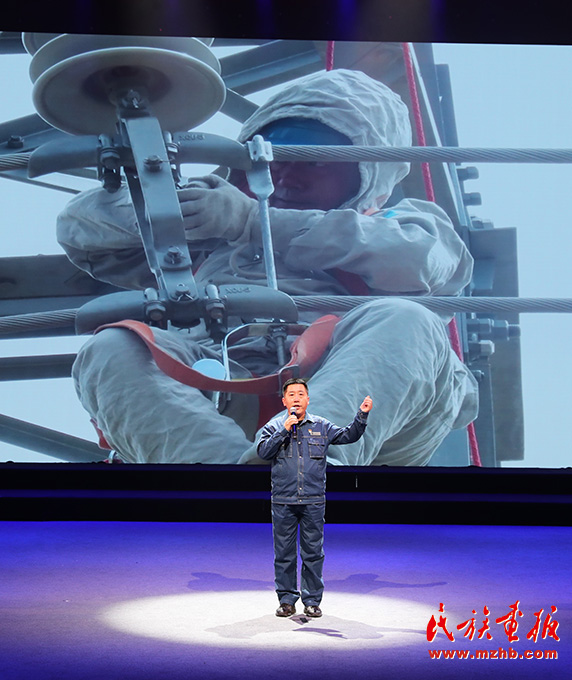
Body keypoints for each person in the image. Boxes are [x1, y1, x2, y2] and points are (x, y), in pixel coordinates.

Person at [56, 67, 478, 465]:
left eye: (314, 162)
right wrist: (168, 210)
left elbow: (418, 262)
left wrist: (255, 222)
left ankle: (307, 457)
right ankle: (227, 485)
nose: (287, 178)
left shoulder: (404, 224)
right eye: (273, 161)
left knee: (405, 320)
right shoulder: (214, 232)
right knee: (112, 348)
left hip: (359, 396)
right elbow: (82, 233)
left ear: (365, 177)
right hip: (220, 385)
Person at [257, 378, 372, 617]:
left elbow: (347, 436)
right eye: (292, 394)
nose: (296, 398)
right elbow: (264, 451)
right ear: (284, 400)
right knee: (284, 554)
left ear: (308, 399)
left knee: (313, 553)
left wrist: (361, 416)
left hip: (313, 500)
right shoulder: (274, 426)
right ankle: (287, 600)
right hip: (283, 501)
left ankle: (312, 600)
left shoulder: (321, 425)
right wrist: (284, 430)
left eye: (301, 394)